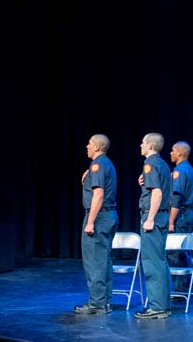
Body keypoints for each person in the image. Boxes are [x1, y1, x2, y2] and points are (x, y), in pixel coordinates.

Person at [74, 134, 119, 315]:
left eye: (90, 143)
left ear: (98, 147)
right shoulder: (104, 164)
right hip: (108, 215)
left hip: (99, 216)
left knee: (95, 261)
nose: (87, 146)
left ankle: (97, 303)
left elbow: (98, 195)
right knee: (103, 260)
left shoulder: (98, 164)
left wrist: (90, 221)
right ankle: (104, 301)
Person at [134, 132, 172, 319]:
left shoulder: (150, 164)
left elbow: (157, 193)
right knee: (159, 260)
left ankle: (157, 306)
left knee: (152, 262)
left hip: (154, 217)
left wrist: (149, 218)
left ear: (150, 145)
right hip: (162, 217)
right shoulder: (163, 164)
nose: (140, 146)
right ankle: (163, 304)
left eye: (142, 143)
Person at [167, 141, 193, 294]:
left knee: (176, 251)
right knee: (183, 251)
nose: (170, 153)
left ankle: (180, 289)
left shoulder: (180, 170)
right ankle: (183, 287)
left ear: (179, 153)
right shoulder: (189, 169)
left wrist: (171, 221)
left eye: (172, 150)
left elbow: (176, 198)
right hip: (187, 213)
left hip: (181, 214)